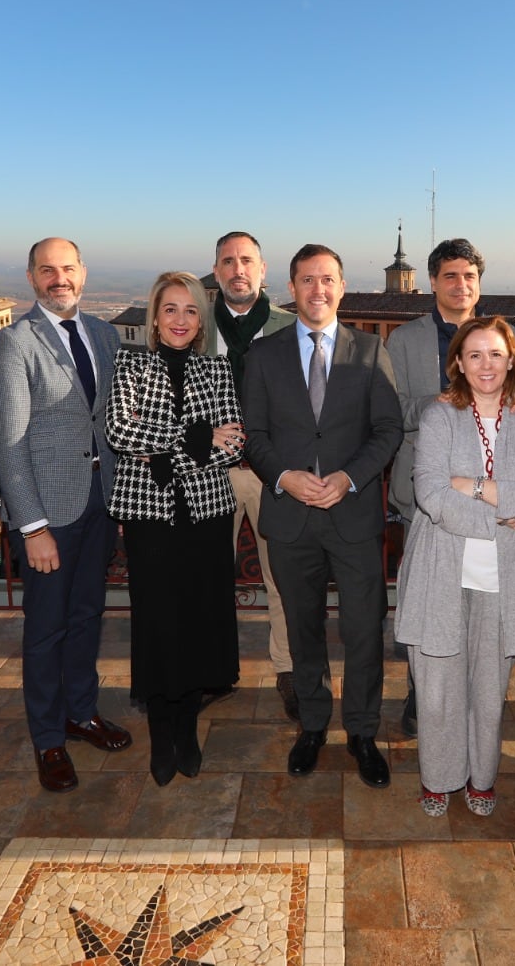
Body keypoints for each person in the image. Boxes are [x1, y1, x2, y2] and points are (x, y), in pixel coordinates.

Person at [241, 244, 403, 787]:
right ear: (292, 287)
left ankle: (361, 731)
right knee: (303, 628)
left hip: (352, 515)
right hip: (290, 517)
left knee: (363, 631)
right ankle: (312, 725)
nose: (318, 290)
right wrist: (284, 477)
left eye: (327, 279)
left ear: (342, 285)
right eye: (307, 280)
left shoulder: (368, 350)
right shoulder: (264, 355)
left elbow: (388, 430)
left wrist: (349, 477)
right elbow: (255, 436)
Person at [395, 316, 515, 816]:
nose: (485, 364)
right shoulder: (440, 417)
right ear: (459, 365)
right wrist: (511, 516)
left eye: (495, 354)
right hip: (441, 573)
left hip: (506, 579)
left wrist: (472, 485)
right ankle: (438, 778)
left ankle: (481, 778)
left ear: (511, 360)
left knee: (489, 689)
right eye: (474, 355)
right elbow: (430, 494)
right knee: (439, 687)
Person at [0, 237, 132, 795]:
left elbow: (115, 419)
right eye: (47, 271)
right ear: (31, 278)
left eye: (67, 269)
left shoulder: (104, 334)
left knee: (88, 614)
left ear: (83, 274)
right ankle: (48, 737)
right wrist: (32, 526)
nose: (59, 279)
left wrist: (121, 501)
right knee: (46, 629)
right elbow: (7, 443)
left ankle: (82, 712)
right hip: (50, 512)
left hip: (102, 502)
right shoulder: (14, 344)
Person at [107, 272, 243, 785]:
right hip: (150, 520)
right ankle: (161, 734)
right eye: (170, 310)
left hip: (207, 518)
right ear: (154, 317)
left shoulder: (217, 368)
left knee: (198, 624)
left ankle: (187, 727)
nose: (181, 319)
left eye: (190, 310)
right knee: (158, 624)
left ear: (200, 319)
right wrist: (198, 436)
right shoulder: (130, 362)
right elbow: (121, 431)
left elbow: (232, 445)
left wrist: (164, 449)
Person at [385, 237, 486, 737]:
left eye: (469, 276)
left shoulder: (505, 339)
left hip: (487, 496)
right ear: (432, 282)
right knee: (426, 600)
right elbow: (391, 413)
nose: (460, 284)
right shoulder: (403, 341)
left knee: (479, 600)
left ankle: (470, 691)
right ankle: (419, 691)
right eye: (450, 275)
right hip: (422, 497)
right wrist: (441, 402)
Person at [201, 231, 298, 721]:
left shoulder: (289, 327)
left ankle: (288, 669)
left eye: (247, 261)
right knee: (207, 576)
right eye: (228, 262)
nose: (238, 270)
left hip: (270, 473)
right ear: (216, 271)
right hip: (208, 474)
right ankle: (213, 670)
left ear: (262, 270)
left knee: (283, 575)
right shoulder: (194, 326)